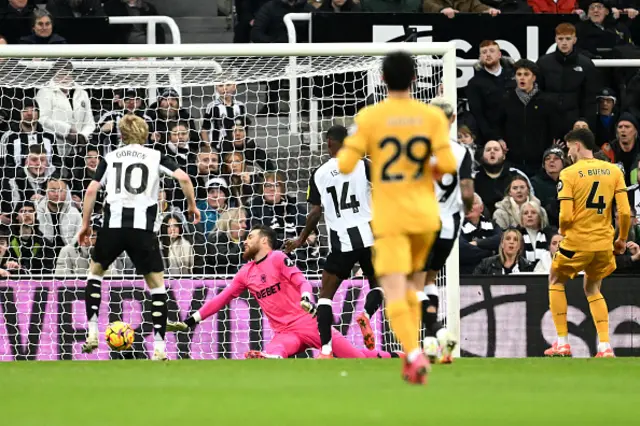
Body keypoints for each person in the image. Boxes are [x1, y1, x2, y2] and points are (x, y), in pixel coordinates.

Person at [337, 51, 457, 385]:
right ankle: (429, 339)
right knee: (414, 284)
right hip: (425, 217)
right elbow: (447, 166)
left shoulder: (371, 116)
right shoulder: (431, 116)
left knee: (393, 289)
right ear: (415, 79)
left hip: (391, 219)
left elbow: (346, 165)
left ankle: (413, 353)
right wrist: (420, 171)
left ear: (383, 79)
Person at [167, 225, 399, 360]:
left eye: (250, 237)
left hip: (310, 323)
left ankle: (392, 356)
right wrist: (191, 320)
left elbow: (302, 282)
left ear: (265, 241)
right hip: (285, 331)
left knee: (355, 359)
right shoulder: (245, 273)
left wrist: (307, 297)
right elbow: (221, 299)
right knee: (274, 351)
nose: (245, 242)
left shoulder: (278, 258)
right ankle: (271, 357)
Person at [77, 114, 200, 361]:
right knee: (157, 288)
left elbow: (91, 190)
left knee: (95, 273)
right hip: (143, 230)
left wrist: (85, 223)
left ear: (121, 136)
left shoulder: (110, 157)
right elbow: (184, 178)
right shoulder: (155, 156)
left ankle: (91, 331)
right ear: (145, 135)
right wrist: (192, 205)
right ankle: (160, 347)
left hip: (112, 227)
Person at [284, 125, 384, 359]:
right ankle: (367, 316)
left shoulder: (319, 173)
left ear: (329, 142)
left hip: (341, 242)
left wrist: (300, 239)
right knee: (379, 285)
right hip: (368, 237)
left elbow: (315, 213)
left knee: (326, 297)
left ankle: (326, 350)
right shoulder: (364, 165)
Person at [545, 128, 630, 358]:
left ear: (578, 146)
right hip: (603, 244)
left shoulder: (569, 174)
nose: (568, 153)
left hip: (577, 242)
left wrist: (563, 231)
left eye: (569, 147)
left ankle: (562, 342)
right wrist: (621, 239)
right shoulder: (613, 171)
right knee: (592, 288)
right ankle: (605, 346)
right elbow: (624, 212)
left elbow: (564, 216)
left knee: (555, 278)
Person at [536, 23, 600, 131]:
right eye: (560, 39)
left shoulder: (586, 64)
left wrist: (585, 120)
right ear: (556, 39)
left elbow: (589, 97)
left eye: (568, 39)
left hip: (575, 120)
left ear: (574, 40)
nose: (564, 42)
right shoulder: (543, 63)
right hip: (547, 120)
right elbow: (538, 92)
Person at [460, 193, 502, 274]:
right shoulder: (457, 226)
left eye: (473, 203)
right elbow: (463, 251)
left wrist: (477, 243)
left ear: (481, 208)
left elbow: (500, 239)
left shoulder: (491, 224)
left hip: (490, 273)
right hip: (466, 274)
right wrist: (491, 252)